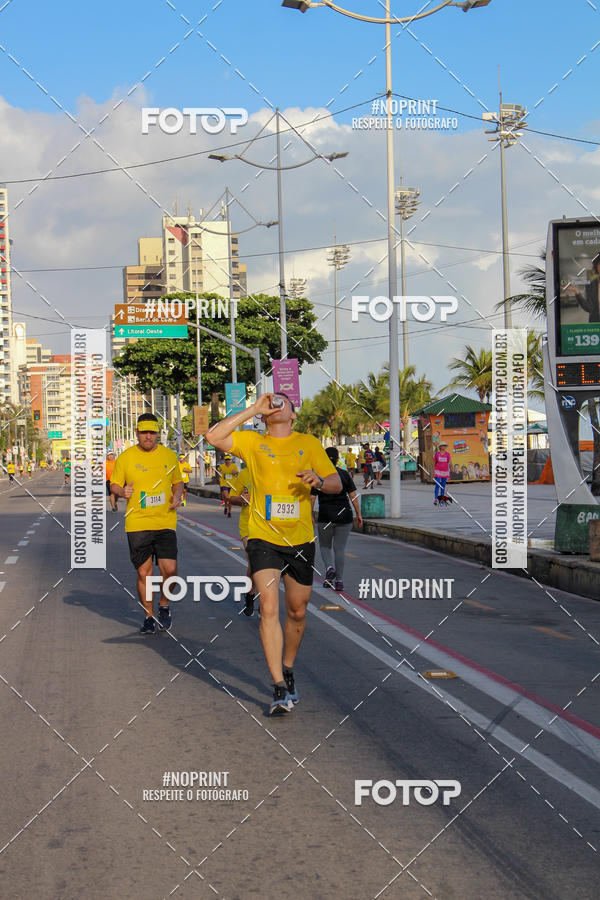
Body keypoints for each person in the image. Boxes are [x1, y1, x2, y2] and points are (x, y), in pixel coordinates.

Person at [206, 391, 341, 715]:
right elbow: (213, 436)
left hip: (299, 539)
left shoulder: (308, 443)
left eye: (283, 402)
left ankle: (288, 668)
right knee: (268, 607)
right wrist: (253, 408)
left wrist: (319, 481)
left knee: (297, 611)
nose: (276, 404)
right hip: (262, 537)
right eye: (271, 402)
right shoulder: (252, 442)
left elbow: (336, 483)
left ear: (293, 414)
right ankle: (279, 686)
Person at [110, 413, 184, 634]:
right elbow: (114, 484)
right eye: (144, 433)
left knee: (170, 570)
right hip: (138, 523)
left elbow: (178, 482)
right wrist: (121, 491)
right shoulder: (126, 457)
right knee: (144, 573)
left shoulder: (169, 456)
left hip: (165, 521)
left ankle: (164, 605)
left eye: (152, 432)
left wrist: (177, 495)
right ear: (137, 433)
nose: (148, 436)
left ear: (157, 433)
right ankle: (149, 615)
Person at [311, 447, 362, 592]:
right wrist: (358, 514)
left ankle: (329, 568)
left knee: (325, 547)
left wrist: (310, 515)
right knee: (339, 549)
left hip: (326, 516)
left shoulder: (319, 476)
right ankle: (339, 581)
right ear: (338, 459)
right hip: (344, 515)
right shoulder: (344, 474)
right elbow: (353, 496)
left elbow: (312, 498)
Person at [228, 464, 258, 617]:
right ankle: (250, 595)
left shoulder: (273, 471)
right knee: (254, 563)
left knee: (268, 567)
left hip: (270, 527)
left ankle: (266, 601)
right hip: (248, 526)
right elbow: (231, 497)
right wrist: (241, 499)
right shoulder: (244, 474)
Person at [218, 453, 239, 517]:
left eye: (228, 460)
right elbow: (218, 470)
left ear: (230, 460)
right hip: (224, 484)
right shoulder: (222, 466)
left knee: (230, 499)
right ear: (224, 460)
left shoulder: (233, 466)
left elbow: (237, 472)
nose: (227, 461)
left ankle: (229, 511)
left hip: (232, 484)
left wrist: (235, 472)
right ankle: (226, 506)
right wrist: (220, 476)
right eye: (226, 460)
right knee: (227, 497)